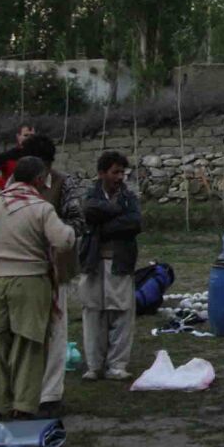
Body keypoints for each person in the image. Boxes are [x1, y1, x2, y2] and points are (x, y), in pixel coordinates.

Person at [0, 156, 76, 419]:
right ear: (37, 180)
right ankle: (23, 406)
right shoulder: (41, 208)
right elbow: (63, 240)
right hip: (30, 282)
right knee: (29, 345)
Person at [23, 134, 81, 417]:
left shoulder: (62, 183)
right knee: (26, 332)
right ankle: (25, 392)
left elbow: (77, 222)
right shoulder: (15, 184)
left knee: (56, 331)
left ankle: (50, 395)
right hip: (23, 270)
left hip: (56, 269)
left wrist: (51, 231)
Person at [77, 150, 142, 382]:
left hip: (120, 261)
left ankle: (117, 365)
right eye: (115, 172)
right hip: (94, 262)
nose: (119, 177)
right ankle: (94, 365)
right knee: (93, 313)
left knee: (122, 313)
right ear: (102, 173)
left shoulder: (128, 197)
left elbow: (134, 222)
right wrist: (115, 213)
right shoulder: (91, 195)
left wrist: (103, 227)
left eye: (122, 173)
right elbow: (89, 212)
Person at [0, 123, 36, 191]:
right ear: (18, 136)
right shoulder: (8, 156)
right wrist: (5, 185)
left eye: (32, 136)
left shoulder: (40, 155)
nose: (29, 138)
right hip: (13, 194)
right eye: (26, 135)